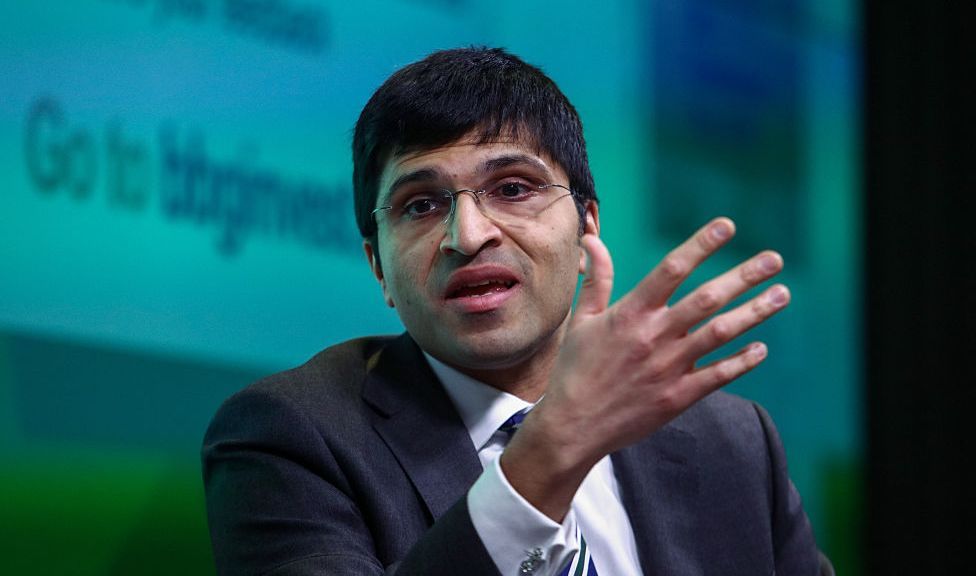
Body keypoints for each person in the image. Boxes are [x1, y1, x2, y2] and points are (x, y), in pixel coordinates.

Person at [202, 47, 831, 575]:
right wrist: (552, 446)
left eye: (512, 188)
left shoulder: (733, 444)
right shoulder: (289, 438)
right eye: (421, 205)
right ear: (377, 266)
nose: (467, 235)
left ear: (588, 226)